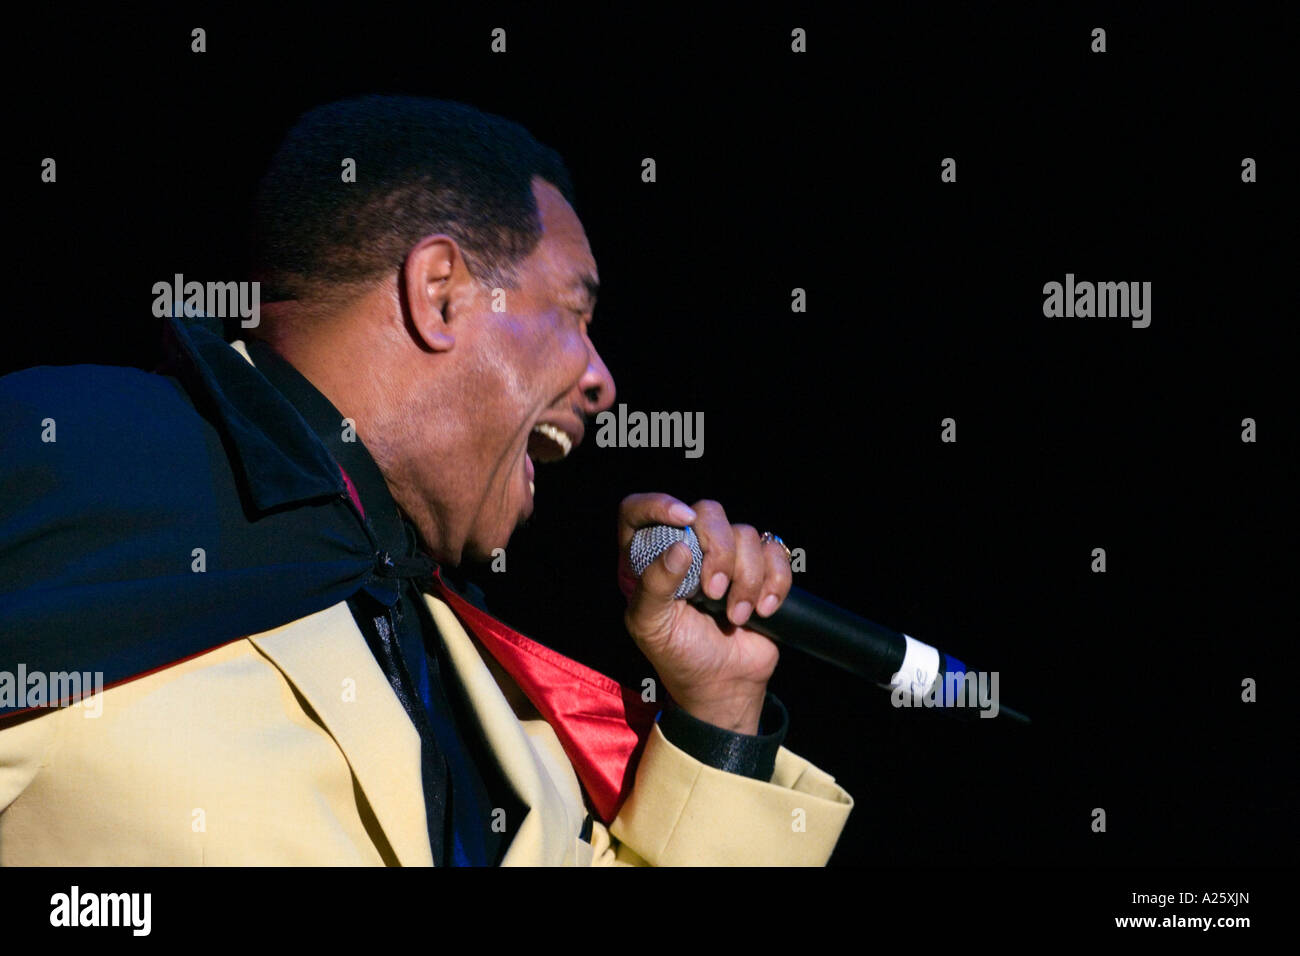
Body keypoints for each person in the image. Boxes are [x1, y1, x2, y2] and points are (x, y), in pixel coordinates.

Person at [0, 96, 853, 865]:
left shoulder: (510, 733)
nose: (603, 381)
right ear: (441, 294)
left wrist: (719, 716)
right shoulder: (70, 454)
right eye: (575, 314)